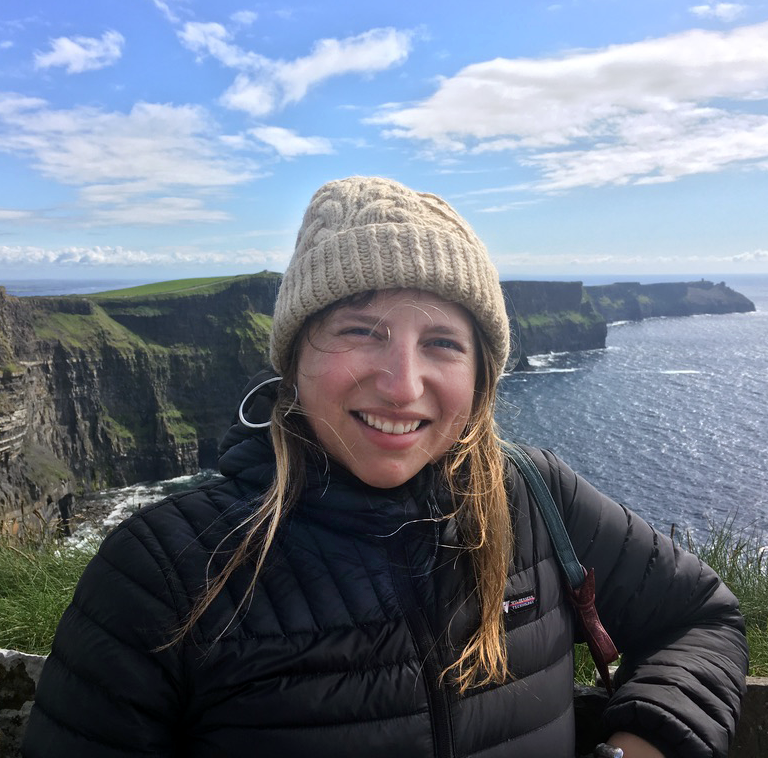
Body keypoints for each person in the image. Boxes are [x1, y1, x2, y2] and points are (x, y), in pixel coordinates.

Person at [22, 177, 747, 758]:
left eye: (442, 342)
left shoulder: (530, 493)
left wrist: (638, 743)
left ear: (483, 374)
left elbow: (702, 618)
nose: (402, 385)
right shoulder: (162, 571)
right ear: (295, 359)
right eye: (361, 331)